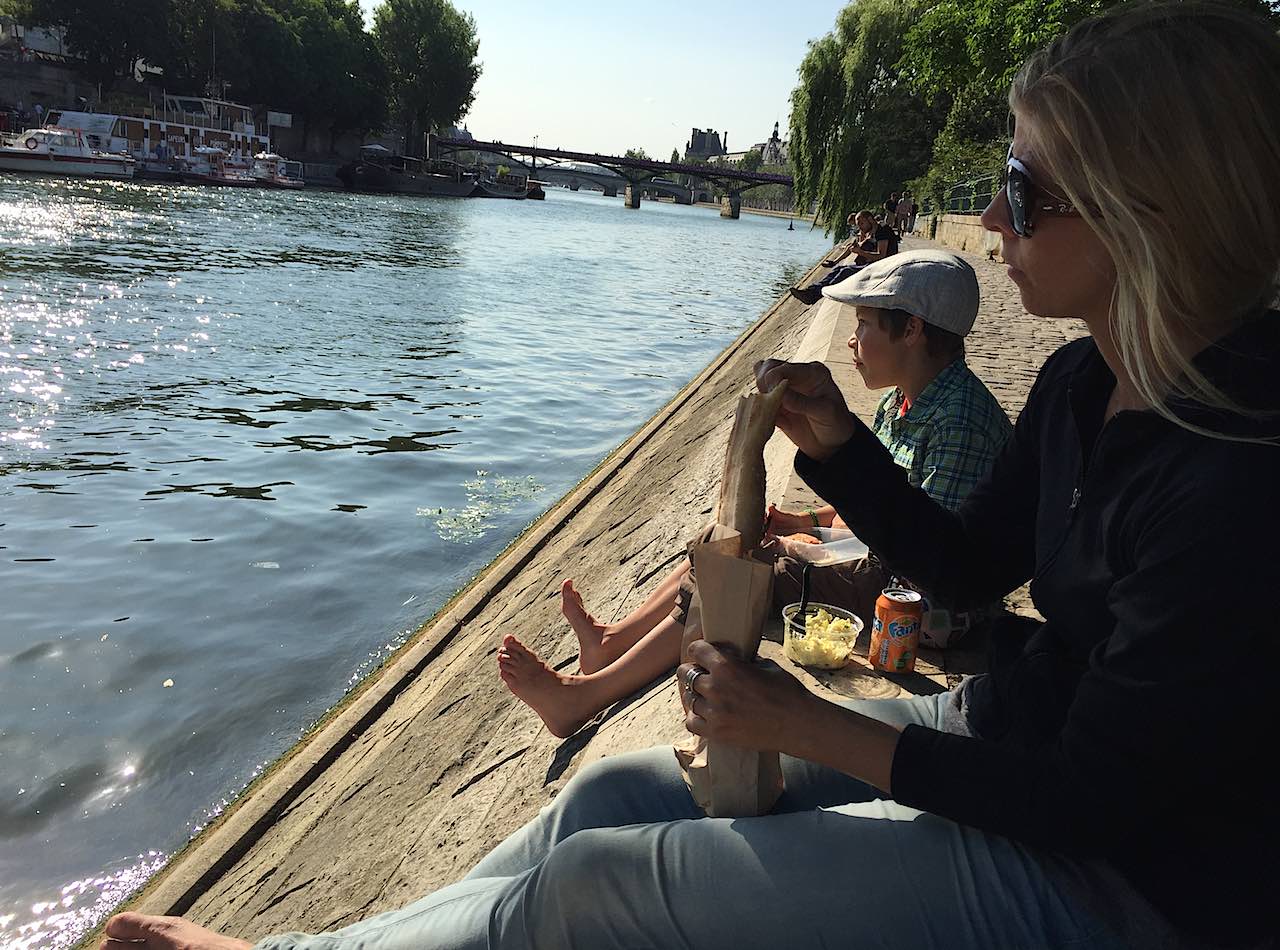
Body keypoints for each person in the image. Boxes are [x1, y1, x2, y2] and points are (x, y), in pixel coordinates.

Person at [101, 5, 1280, 948]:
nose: (986, 210)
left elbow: (1097, 802)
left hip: (1121, 887)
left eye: (1021, 187)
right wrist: (838, 447)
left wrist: (803, 719)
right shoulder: (1085, 379)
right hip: (1014, 732)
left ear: (1147, 214)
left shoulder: (1236, 471)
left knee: (600, 886)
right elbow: (973, 561)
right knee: (606, 801)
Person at [499, 249, 1011, 738]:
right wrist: (802, 521)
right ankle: (610, 643)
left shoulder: (958, 421)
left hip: (930, 609)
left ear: (913, 330)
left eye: (864, 325)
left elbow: (929, 559)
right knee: (720, 548)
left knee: (742, 572)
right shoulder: (905, 400)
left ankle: (584, 697)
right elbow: (889, 503)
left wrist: (801, 542)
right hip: (892, 563)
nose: (852, 341)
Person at [790, 210, 898, 305]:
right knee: (838, 269)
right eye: (857, 224)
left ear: (870, 219)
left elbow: (882, 256)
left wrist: (861, 252)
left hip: (883, 268)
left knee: (845, 272)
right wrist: (835, 262)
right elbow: (851, 249)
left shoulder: (883, 231)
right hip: (872, 265)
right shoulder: (869, 231)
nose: (859, 226)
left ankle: (814, 295)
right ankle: (811, 291)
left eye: (861, 223)